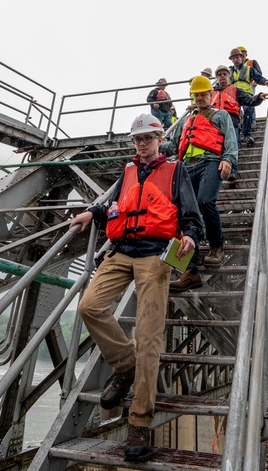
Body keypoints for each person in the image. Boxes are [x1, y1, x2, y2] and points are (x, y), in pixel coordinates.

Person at [70, 113, 202, 462]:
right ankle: (124, 364)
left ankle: (139, 420)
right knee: (89, 306)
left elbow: (191, 213)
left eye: (148, 138)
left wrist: (189, 235)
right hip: (121, 252)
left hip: (155, 257)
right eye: (137, 139)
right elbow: (117, 205)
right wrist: (91, 213)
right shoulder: (128, 171)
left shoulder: (176, 171)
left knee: (148, 337)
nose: (142, 144)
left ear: (161, 138)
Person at [161, 75, 238, 291]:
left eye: (203, 93)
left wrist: (228, 160)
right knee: (186, 214)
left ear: (210, 94)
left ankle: (216, 247)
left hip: (210, 162)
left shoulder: (220, 115)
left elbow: (231, 139)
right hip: (186, 167)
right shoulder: (187, 120)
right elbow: (174, 145)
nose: (200, 97)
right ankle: (191, 271)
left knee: (205, 202)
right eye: (196, 94)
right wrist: (157, 142)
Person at [211, 64, 268, 180]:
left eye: (225, 74)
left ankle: (232, 171)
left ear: (229, 77)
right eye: (219, 74)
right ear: (216, 78)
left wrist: (258, 97)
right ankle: (216, 172)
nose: (222, 76)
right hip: (214, 125)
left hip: (232, 123)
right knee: (216, 148)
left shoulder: (236, 90)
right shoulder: (211, 93)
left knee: (233, 145)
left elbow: (249, 100)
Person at [228, 47, 268, 147]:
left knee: (249, 110)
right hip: (232, 95)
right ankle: (236, 139)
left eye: (237, 57)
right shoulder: (228, 71)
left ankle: (247, 134)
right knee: (232, 115)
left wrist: (265, 81)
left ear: (241, 57)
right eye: (233, 58)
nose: (235, 59)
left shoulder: (248, 69)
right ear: (231, 60)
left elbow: (257, 77)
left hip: (245, 93)